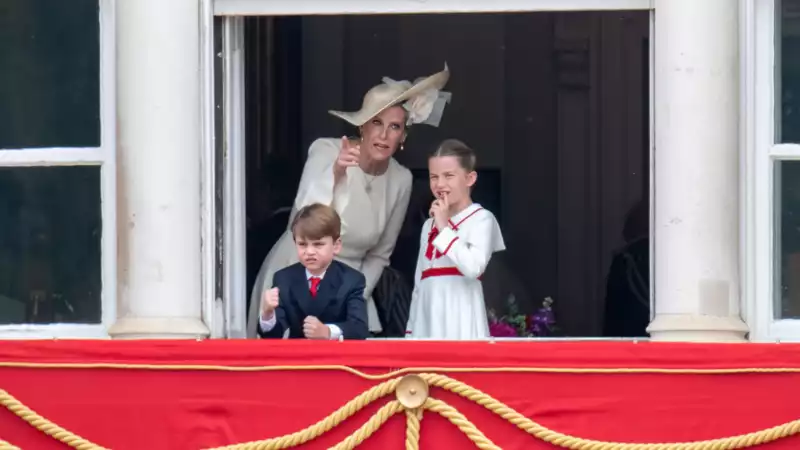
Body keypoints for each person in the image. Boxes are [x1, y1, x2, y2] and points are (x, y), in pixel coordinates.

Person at [248, 65, 452, 338]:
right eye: (376, 122)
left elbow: (380, 255)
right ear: (362, 126)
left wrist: (349, 298)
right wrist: (337, 173)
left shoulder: (401, 179)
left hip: (350, 289)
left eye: (394, 127)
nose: (383, 135)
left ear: (403, 137)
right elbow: (301, 220)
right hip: (296, 275)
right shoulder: (327, 150)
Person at [405, 139, 505, 340]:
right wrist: (411, 331)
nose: (440, 184)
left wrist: (444, 228)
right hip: (427, 318)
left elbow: (474, 267)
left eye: (449, 176)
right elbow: (419, 282)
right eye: (434, 177)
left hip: (461, 314)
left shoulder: (481, 218)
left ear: (470, 178)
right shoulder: (428, 226)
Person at [258, 203, 368, 340]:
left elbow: (359, 328)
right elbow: (274, 335)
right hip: (298, 358)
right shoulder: (284, 278)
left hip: (335, 358)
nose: (309, 252)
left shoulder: (351, 280)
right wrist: (268, 313)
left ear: (336, 245)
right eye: (302, 244)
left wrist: (328, 332)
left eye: (318, 244)